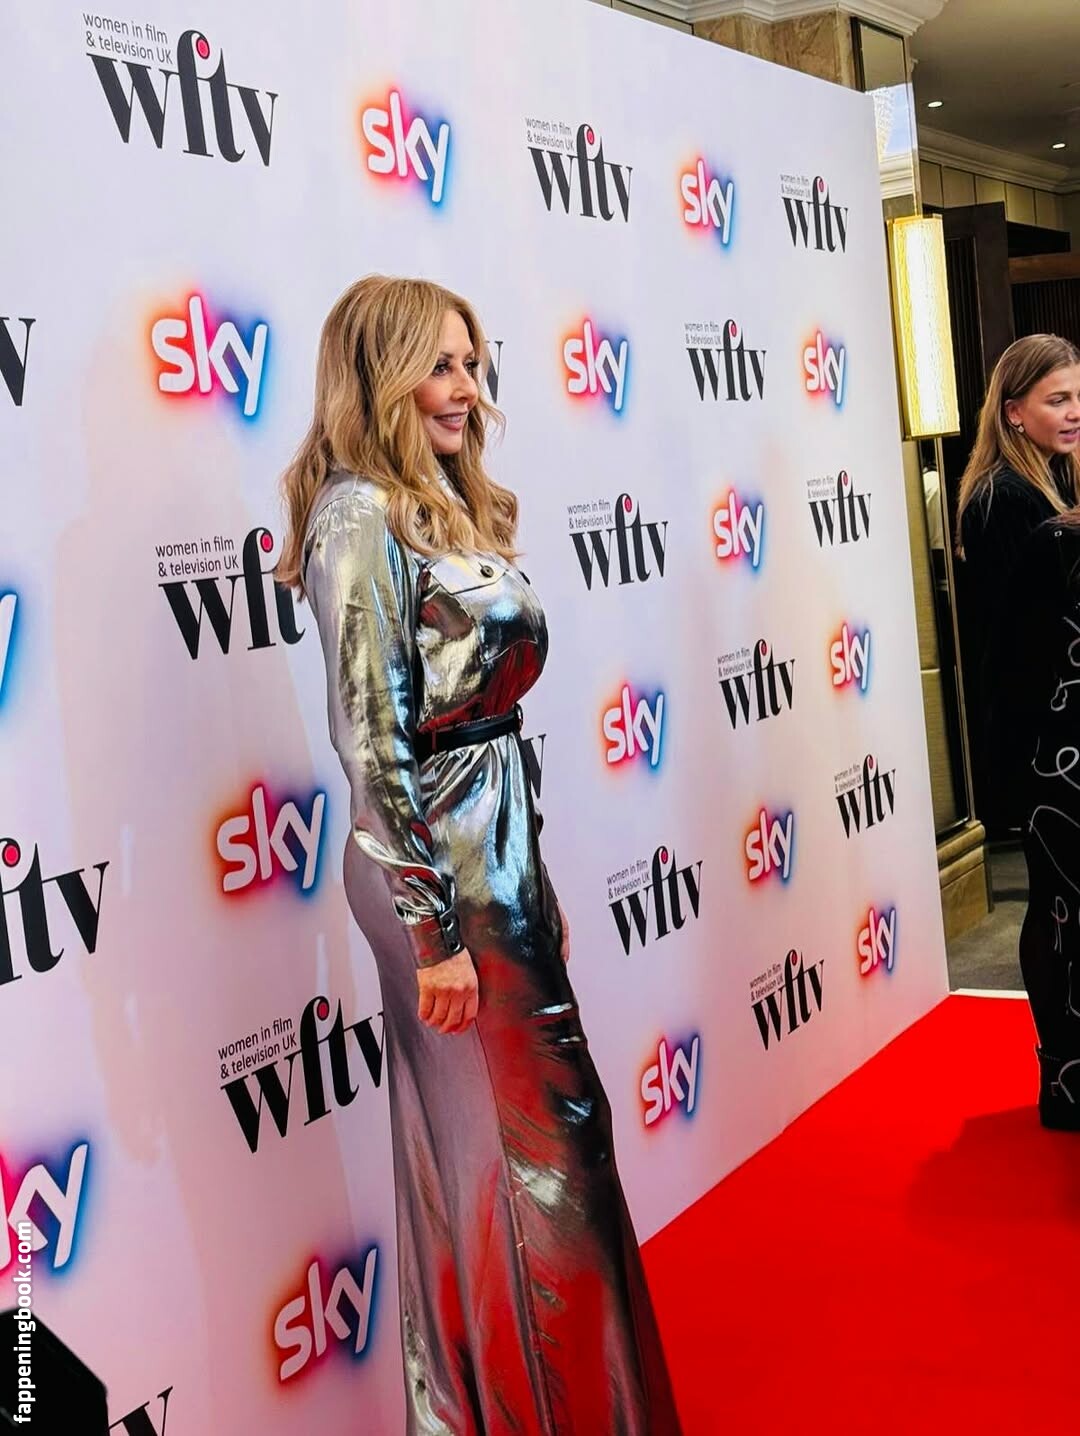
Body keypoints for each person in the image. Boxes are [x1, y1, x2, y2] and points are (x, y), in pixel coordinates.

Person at [277, 275, 681, 1434]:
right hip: (434, 868)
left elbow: (489, 725)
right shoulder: (357, 515)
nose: (466, 389)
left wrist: (528, 881)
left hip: (490, 856)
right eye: (441, 365)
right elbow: (371, 736)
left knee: (502, 1159)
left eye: (472, 364)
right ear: (382, 373)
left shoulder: (437, 503)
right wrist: (432, 926)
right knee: (540, 1159)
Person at [957, 333, 1080, 1127]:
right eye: (1057, 399)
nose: (1074, 412)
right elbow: (1021, 645)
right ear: (1014, 413)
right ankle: (1064, 1081)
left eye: (1078, 397)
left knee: (1062, 906)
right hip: (1046, 745)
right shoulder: (1007, 501)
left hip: (1054, 737)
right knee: (1057, 905)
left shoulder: (1040, 488)